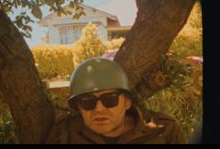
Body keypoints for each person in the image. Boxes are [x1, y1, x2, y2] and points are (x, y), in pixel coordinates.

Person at [45, 57, 186, 144]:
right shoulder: (64, 133)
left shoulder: (164, 130)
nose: (99, 109)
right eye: (88, 102)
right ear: (78, 107)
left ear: (127, 102)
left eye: (109, 99)